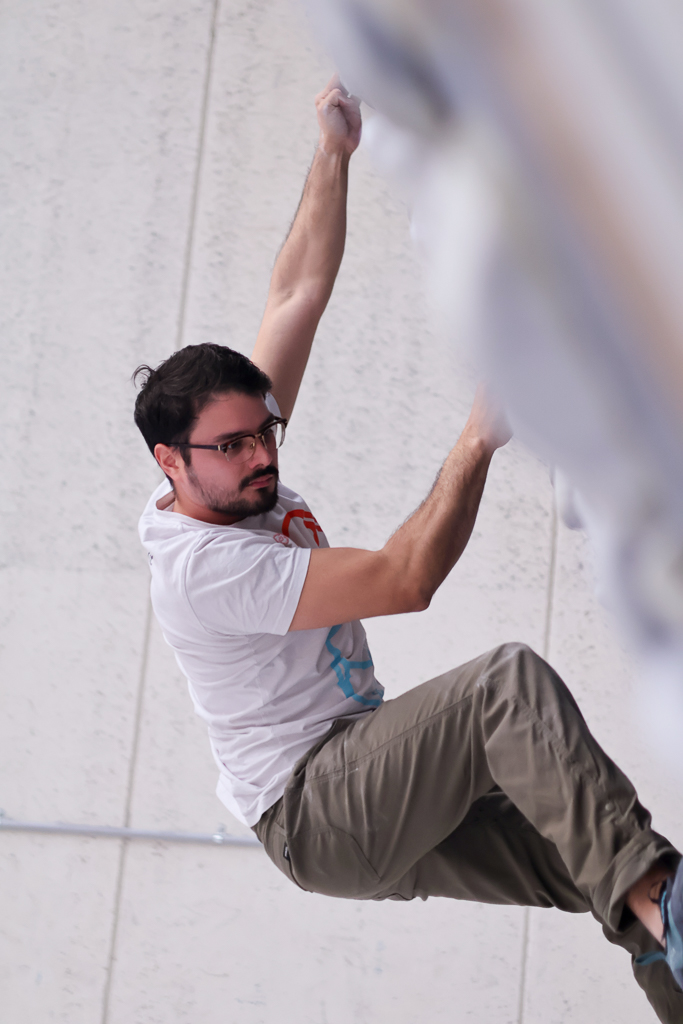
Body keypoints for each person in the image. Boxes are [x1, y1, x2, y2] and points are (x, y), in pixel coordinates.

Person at [134, 77, 683, 1021]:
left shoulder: (232, 464)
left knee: (595, 861)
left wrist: (333, 152)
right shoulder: (205, 570)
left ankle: (664, 940)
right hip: (316, 808)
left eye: (266, 432)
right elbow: (406, 578)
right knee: (503, 689)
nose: (262, 456)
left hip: (363, 773)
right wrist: (479, 434)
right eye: (233, 447)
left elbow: (296, 290)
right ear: (170, 461)